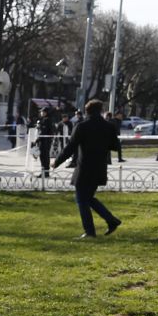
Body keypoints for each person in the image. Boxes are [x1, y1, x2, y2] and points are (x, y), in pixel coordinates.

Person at [53, 99, 121, 238]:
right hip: (100, 167)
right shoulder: (109, 127)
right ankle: (112, 220)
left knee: (81, 199)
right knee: (88, 198)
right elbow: (115, 146)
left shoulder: (82, 126)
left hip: (84, 167)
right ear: (101, 110)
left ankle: (90, 231)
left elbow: (70, 147)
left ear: (87, 111)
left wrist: (57, 162)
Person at [36, 109, 54, 178]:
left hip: (44, 141)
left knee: (44, 157)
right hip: (46, 141)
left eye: (42, 112)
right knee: (45, 157)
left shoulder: (46, 120)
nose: (41, 113)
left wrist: (37, 140)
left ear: (45, 113)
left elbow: (43, 132)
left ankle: (44, 173)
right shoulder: (47, 119)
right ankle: (46, 172)